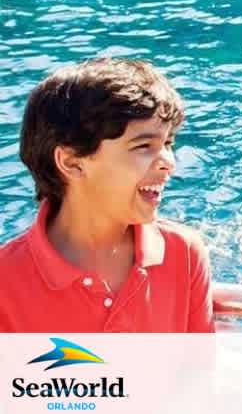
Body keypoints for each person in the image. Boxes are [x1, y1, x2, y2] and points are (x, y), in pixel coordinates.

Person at [0, 58, 214, 332]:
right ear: (72, 162)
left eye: (168, 143)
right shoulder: (7, 283)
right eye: (144, 145)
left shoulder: (184, 254)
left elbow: (199, 372)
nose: (169, 162)